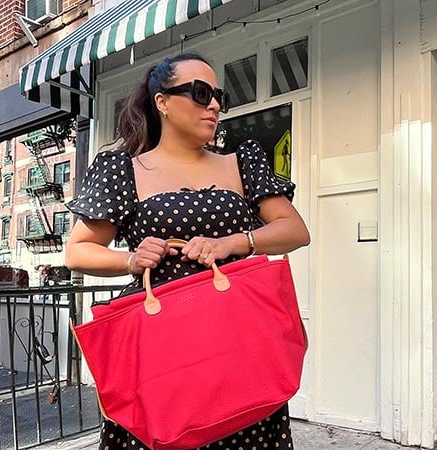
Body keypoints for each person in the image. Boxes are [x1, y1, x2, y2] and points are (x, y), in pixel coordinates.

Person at [64, 53, 310, 450]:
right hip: (165, 352)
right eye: (200, 93)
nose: (213, 105)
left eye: (218, 96)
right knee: (165, 429)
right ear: (162, 102)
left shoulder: (242, 161)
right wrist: (131, 260)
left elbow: (294, 230)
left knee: (245, 423)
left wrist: (234, 242)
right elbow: (78, 252)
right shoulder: (123, 169)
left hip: (238, 343)